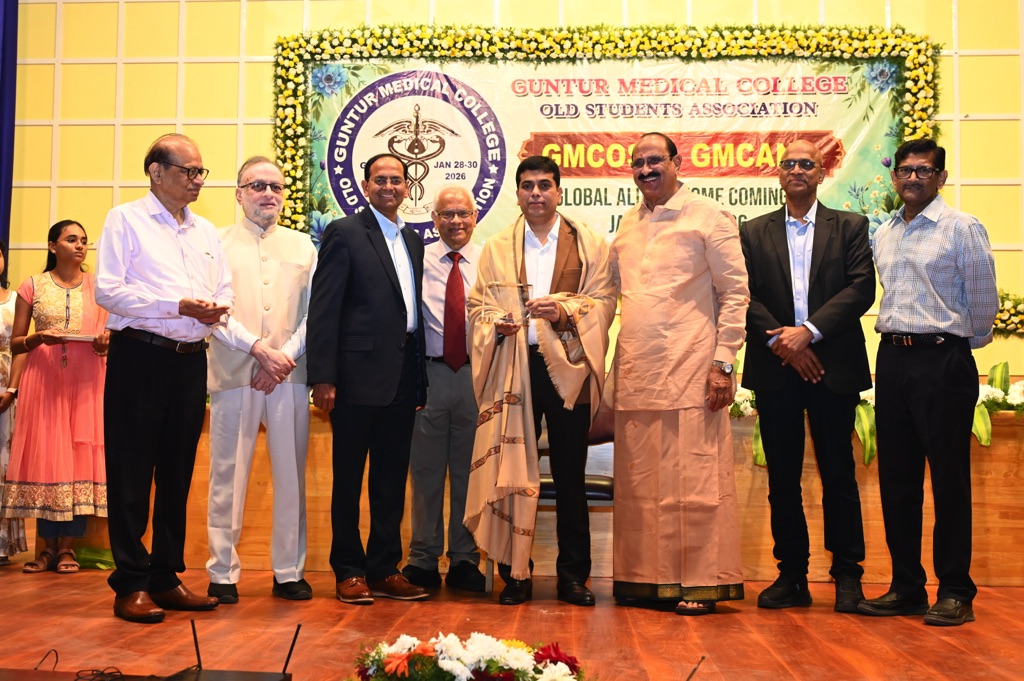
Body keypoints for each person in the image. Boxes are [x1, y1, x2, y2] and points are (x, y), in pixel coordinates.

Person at [858, 138, 998, 626]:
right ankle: (907, 588)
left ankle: (956, 591)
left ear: (940, 177)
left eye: (923, 170)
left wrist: (955, 346)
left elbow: (983, 303)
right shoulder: (885, 232)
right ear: (894, 176)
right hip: (892, 360)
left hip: (943, 361)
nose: (913, 178)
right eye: (905, 170)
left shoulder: (962, 228)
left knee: (948, 480)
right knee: (897, 481)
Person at [465, 156, 616, 607]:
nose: (536, 193)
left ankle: (573, 578)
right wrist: (497, 324)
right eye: (528, 185)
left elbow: (605, 300)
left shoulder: (589, 243)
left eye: (544, 185)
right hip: (514, 368)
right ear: (517, 194)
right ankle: (516, 575)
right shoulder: (496, 247)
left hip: (570, 371)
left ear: (558, 191)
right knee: (513, 472)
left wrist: (565, 311)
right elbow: (477, 308)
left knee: (570, 475)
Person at [609, 132, 749, 616]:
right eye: (638, 163)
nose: (646, 170)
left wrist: (723, 362)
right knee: (641, 485)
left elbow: (735, 293)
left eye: (655, 160)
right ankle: (645, 581)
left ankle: (700, 583)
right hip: (637, 374)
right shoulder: (627, 224)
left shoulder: (709, 217)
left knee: (695, 485)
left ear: (676, 162)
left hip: (693, 371)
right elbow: (607, 294)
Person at [95, 133, 232, 623]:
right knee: (132, 472)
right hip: (141, 356)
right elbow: (108, 290)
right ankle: (131, 582)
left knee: (177, 473)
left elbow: (224, 288)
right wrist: (176, 305)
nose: (198, 181)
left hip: (191, 360)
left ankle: (165, 576)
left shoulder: (206, 231)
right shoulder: (125, 219)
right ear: (156, 172)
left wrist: (214, 308)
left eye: (201, 172)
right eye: (188, 171)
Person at [740, 140, 875, 613]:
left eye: (806, 164)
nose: (797, 169)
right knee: (782, 478)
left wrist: (809, 333)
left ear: (821, 173)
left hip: (831, 367)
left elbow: (861, 288)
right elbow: (742, 294)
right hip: (776, 366)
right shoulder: (752, 231)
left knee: (839, 474)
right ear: (779, 174)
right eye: (789, 163)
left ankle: (848, 576)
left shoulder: (851, 226)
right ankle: (791, 575)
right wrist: (786, 344)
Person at [307, 153, 429, 605]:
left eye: (396, 180)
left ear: (407, 187)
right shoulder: (344, 233)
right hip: (354, 379)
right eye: (380, 179)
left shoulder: (412, 240)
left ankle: (384, 569)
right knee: (348, 479)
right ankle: (348, 570)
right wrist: (323, 376)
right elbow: (324, 308)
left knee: (390, 481)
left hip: (402, 377)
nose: (389, 187)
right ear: (365, 185)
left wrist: (420, 382)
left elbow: (410, 314)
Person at [205, 156, 318, 604]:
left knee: (291, 476)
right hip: (235, 371)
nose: (267, 193)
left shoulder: (304, 246)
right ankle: (221, 572)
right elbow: (213, 312)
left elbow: (316, 312)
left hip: (289, 375)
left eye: (275, 186)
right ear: (238, 193)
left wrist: (284, 357)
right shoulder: (215, 243)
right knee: (227, 475)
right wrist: (257, 350)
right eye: (257, 185)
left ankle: (289, 571)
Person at [2, 221, 109, 574]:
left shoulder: (98, 286)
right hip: (44, 379)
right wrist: (37, 339)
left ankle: (67, 549)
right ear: (52, 246)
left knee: (79, 459)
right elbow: (17, 342)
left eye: (84, 241)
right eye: (71, 239)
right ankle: (46, 549)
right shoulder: (32, 285)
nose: (80, 246)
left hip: (88, 379)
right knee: (47, 458)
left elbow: (113, 332)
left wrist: (104, 342)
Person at [400, 186, 486, 593]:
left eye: (463, 213)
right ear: (434, 219)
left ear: (475, 216)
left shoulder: (490, 261)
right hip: (429, 377)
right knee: (426, 471)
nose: (455, 222)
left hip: (476, 376)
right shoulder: (415, 260)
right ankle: (423, 558)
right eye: (447, 214)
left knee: (471, 472)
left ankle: (466, 559)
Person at [0, 241, 28, 567]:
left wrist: (12, 389)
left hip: (7, 392)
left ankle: (2, 544)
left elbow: (21, 348)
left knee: (4, 464)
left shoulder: (15, 299)